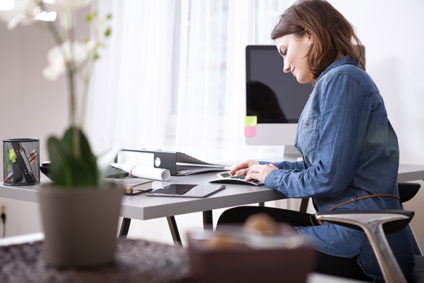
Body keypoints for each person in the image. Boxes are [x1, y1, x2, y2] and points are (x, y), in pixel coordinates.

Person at [217, 0, 415, 282]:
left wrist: (273, 177)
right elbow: (320, 165)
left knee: (234, 230)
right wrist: (266, 167)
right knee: (236, 221)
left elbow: (328, 178)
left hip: (358, 240)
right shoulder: (336, 80)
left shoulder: (342, 81)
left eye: (285, 52)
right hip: (347, 225)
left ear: (310, 36)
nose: (284, 67)